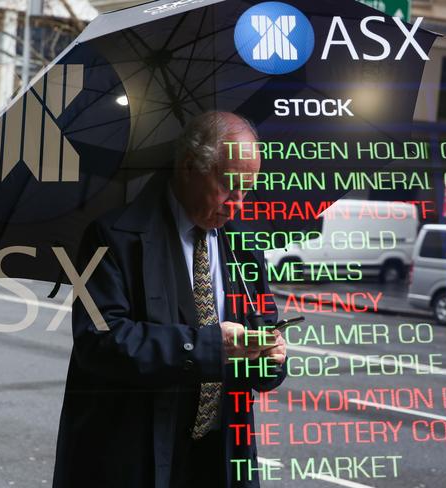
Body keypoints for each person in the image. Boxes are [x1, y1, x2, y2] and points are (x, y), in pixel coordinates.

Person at [52, 111, 287, 488]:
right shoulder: (112, 237)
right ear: (189, 166)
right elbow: (99, 342)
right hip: (137, 456)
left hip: (220, 457)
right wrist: (210, 344)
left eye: (247, 189)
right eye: (228, 186)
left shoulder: (243, 243)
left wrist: (270, 357)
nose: (237, 204)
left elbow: (262, 325)